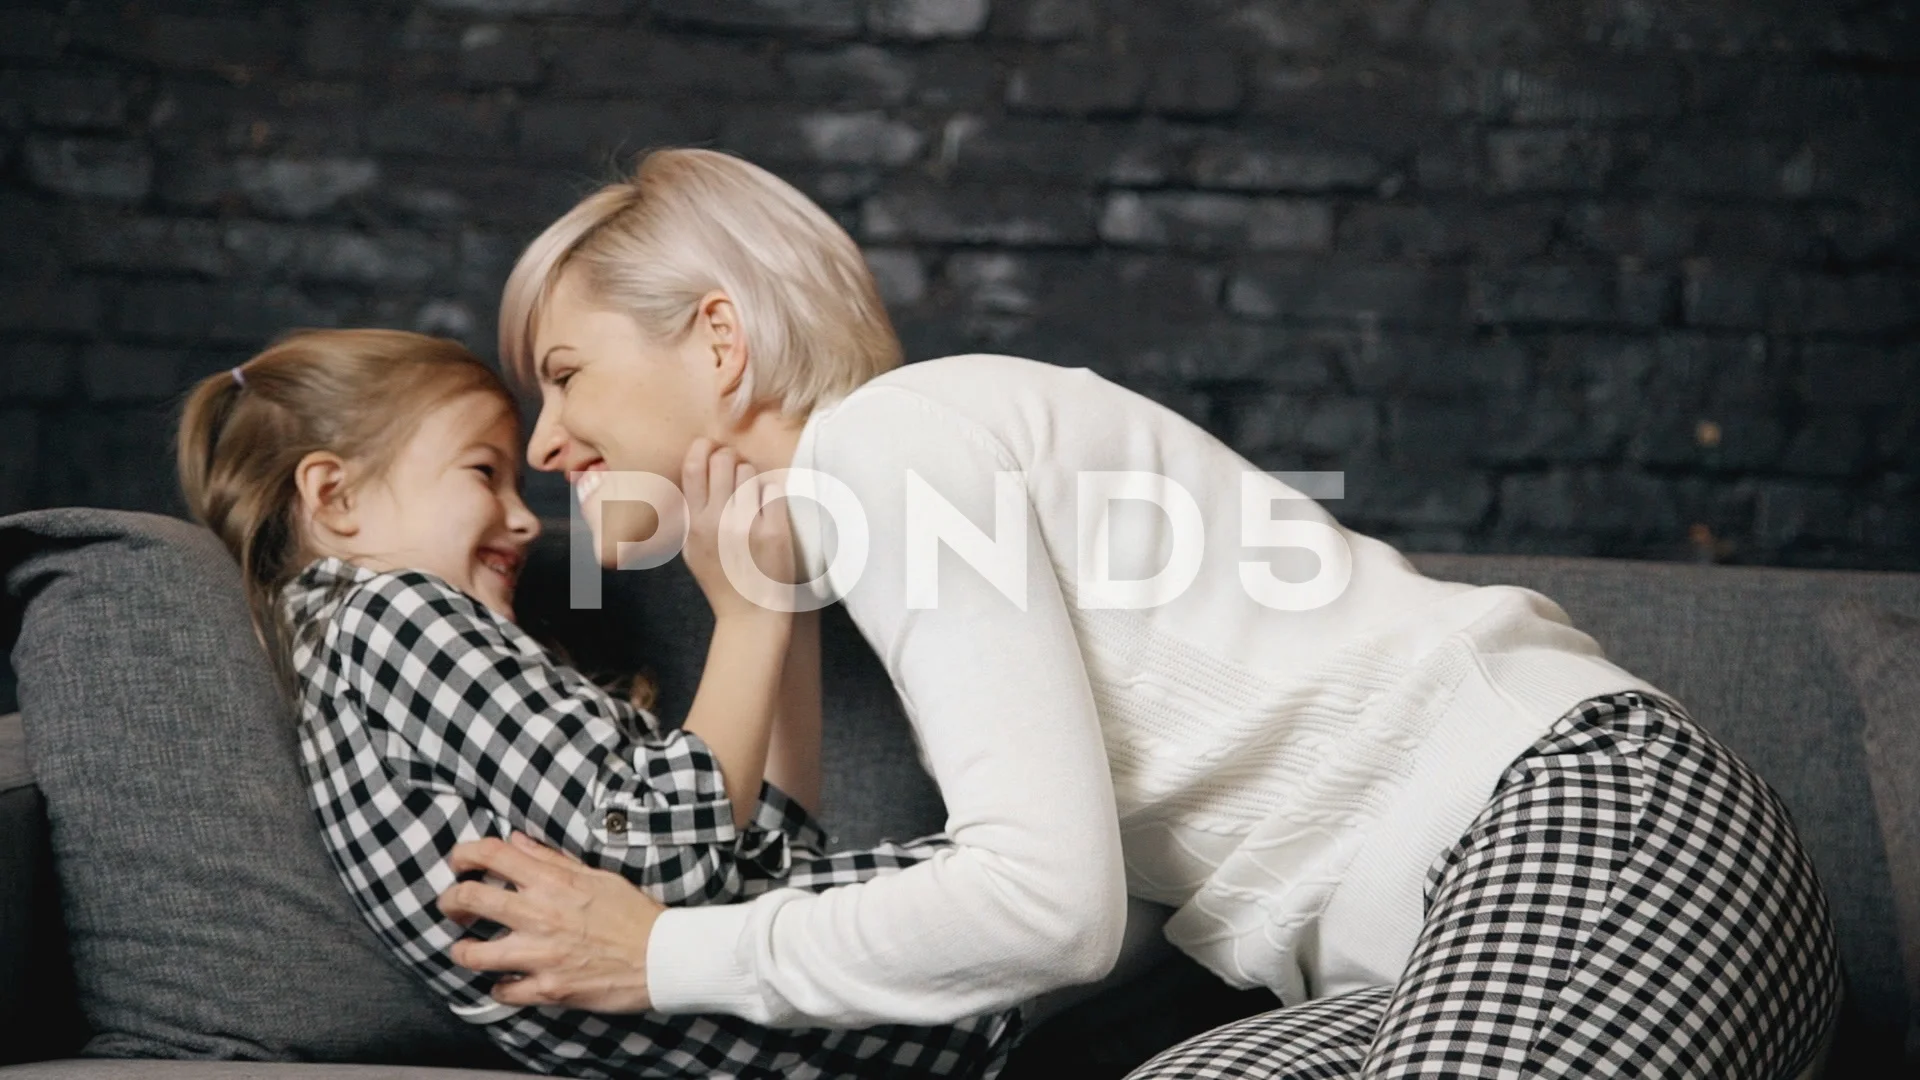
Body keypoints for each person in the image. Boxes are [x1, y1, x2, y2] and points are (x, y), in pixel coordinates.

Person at [442, 147, 1843, 1079]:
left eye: (564, 373)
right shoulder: (890, 490)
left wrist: (659, 955)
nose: (547, 441)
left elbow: (1047, 908)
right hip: (1432, 956)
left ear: (720, 339)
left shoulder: (894, 443)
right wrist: (760, 607)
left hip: (1603, 832)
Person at [173, 327, 1020, 1079]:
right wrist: (747, 617)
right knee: (1037, 885)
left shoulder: (372, 650)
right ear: (335, 497)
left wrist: (775, 600)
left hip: (898, 1015)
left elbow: (759, 845)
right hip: (941, 1004)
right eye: (484, 473)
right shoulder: (392, 615)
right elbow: (664, 852)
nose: (524, 519)